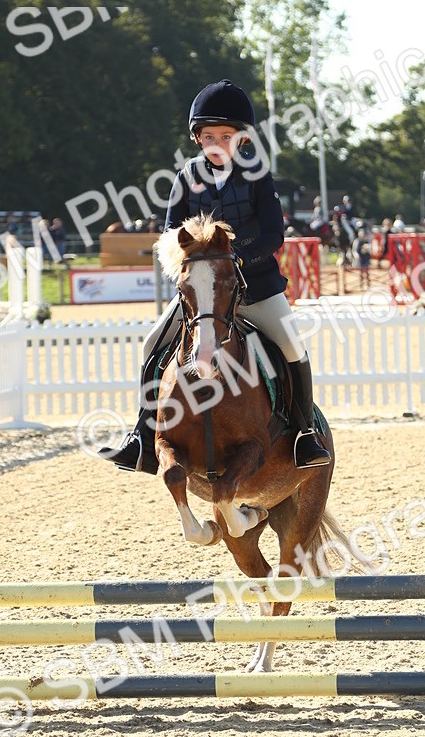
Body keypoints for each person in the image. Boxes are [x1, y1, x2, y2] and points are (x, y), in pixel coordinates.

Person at [102, 79, 331, 473]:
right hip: (203, 294)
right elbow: (171, 234)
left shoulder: (257, 175)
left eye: (226, 136)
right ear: (197, 138)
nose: (217, 144)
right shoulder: (185, 177)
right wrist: (193, 266)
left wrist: (237, 258)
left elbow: (274, 234)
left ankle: (304, 433)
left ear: (242, 138)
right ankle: (142, 435)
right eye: (209, 136)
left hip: (256, 288)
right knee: (151, 344)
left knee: (292, 346)